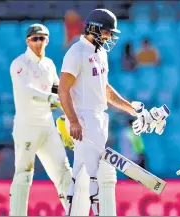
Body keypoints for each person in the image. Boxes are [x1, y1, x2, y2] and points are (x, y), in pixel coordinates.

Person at [58, 9, 168, 216]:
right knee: (94, 176)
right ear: (95, 29)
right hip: (83, 119)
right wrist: (73, 121)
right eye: (107, 32)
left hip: (100, 119)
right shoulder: (77, 52)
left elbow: (106, 90)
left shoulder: (100, 53)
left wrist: (131, 108)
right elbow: (63, 90)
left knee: (86, 175)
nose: (109, 37)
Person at [9, 24, 88, 216]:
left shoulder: (49, 64)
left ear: (48, 40)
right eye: (34, 38)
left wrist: (71, 103)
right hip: (27, 126)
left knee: (62, 171)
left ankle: (75, 212)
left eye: (42, 38)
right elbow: (26, 91)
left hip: (47, 126)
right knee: (24, 174)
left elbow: (57, 89)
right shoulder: (19, 64)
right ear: (27, 41)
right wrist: (52, 98)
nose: (38, 42)